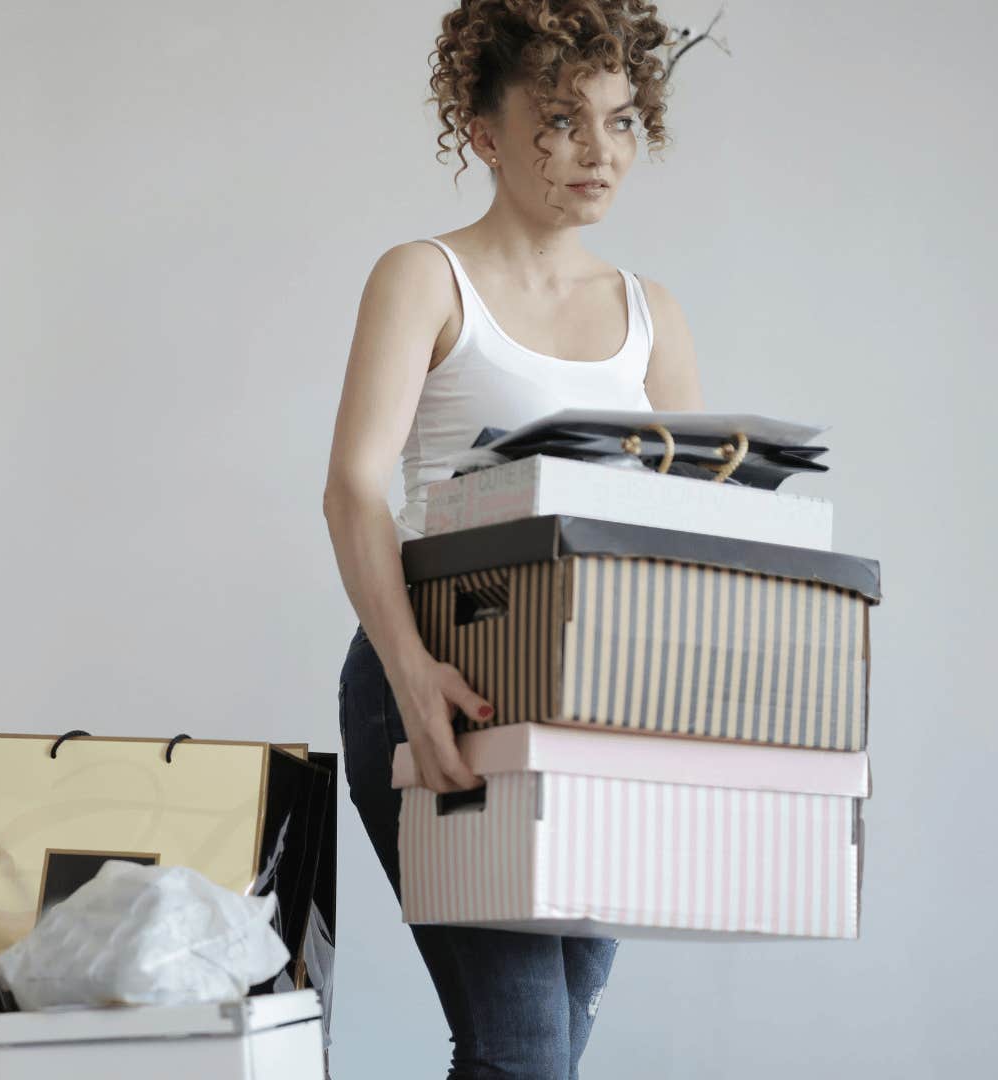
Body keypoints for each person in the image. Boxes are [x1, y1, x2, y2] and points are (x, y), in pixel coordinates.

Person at [321, 2, 705, 1076]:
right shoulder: (424, 277)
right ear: (484, 133)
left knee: (547, 1044)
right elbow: (354, 491)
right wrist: (409, 677)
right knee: (525, 1050)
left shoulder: (651, 315)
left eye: (622, 121)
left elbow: (687, 531)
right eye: (562, 121)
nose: (600, 153)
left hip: (600, 699)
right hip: (444, 673)